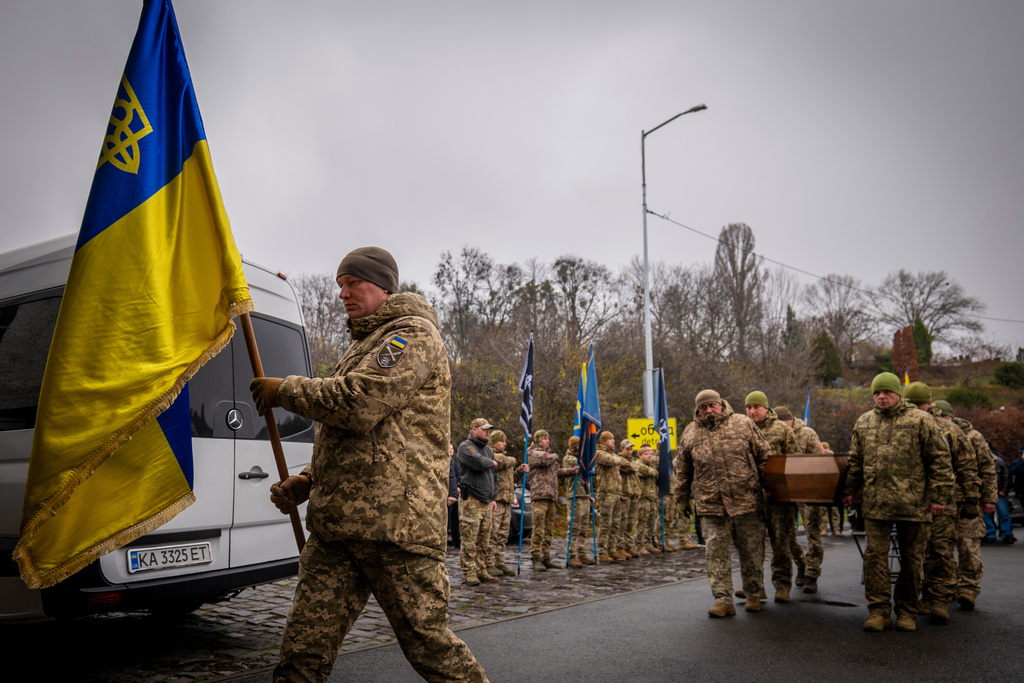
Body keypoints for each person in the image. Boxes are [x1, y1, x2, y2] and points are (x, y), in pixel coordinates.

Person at [249, 246, 487, 682]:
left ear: (382, 286)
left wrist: (285, 389)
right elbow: (349, 438)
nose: (343, 292)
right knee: (302, 651)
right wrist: (307, 480)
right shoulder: (361, 346)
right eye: (340, 284)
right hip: (337, 529)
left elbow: (360, 404)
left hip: (395, 529)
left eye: (353, 282)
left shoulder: (411, 335)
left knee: (430, 646)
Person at [842, 372, 954, 633]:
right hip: (876, 506)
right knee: (874, 560)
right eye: (877, 393)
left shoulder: (921, 420)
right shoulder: (864, 422)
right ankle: (879, 611)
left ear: (898, 394)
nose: (881, 397)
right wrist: (849, 490)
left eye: (887, 392)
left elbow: (940, 460)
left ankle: (906, 611)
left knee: (912, 561)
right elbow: (856, 462)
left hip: (913, 506)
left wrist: (939, 497)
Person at [676, 389, 771, 617]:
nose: (709, 410)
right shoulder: (690, 433)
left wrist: (771, 489)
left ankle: (753, 594)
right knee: (715, 553)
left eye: (712, 405)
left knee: (751, 551)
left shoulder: (743, 424)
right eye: (703, 407)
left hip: (746, 501)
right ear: (697, 410)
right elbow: (682, 469)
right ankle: (723, 600)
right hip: (711, 505)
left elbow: (764, 456)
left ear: (721, 404)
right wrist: (681, 498)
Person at [903, 382, 981, 625]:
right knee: (916, 552)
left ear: (929, 403)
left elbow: (968, 465)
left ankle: (938, 598)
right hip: (910, 502)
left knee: (940, 549)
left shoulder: (948, 429)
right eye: (912, 404)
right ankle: (922, 596)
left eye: (920, 404)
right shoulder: (901, 427)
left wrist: (971, 498)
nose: (916, 409)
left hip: (943, 502)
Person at [933, 399, 997, 611]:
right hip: (943, 501)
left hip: (967, 499)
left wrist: (988, 499)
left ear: (950, 417)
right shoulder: (932, 433)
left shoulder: (974, 437)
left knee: (968, 545)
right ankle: (948, 586)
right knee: (943, 548)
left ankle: (968, 588)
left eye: (943, 418)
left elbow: (988, 469)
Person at [744, 391, 799, 603]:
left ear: (766, 408)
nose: (751, 411)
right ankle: (756, 587)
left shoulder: (782, 429)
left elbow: (795, 460)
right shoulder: (741, 429)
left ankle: (782, 585)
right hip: (751, 497)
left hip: (779, 498)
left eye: (756, 407)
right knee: (752, 545)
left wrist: (787, 491)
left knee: (781, 544)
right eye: (748, 407)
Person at [775, 405, 826, 594]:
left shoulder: (807, 433)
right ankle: (802, 564)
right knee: (786, 534)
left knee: (812, 534)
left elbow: (821, 461)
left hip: (809, 490)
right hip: (787, 490)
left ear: (789, 420)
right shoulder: (776, 433)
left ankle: (812, 574)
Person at [527, 429, 578, 571]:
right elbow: (546, 459)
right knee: (539, 529)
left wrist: (571, 471)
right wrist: (554, 455)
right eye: (544, 438)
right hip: (539, 495)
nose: (547, 441)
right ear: (538, 440)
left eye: (548, 438)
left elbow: (557, 472)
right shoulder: (533, 453)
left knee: (549, 529)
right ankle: (536, 557)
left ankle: (546, 556)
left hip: (551, 496)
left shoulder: (549, 456)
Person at [458, 418, 500, 585]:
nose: (487, 432)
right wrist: (492, 462)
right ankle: (469, 572)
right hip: (472, 500)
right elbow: (477, 462)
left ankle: (481, 569)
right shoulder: (465, 447)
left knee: (484, 539)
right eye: (484, 429)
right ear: (474, 429)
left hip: (486, 501)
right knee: (469, 539)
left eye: (489, 429)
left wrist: (493, 497)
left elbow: (495, 477)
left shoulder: (488, 450)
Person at [487, 429, 528, 576]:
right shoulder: (490, 454)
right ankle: (489, 563)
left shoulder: (504, 458)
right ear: (494, 442)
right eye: (502, 441)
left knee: (503, 535)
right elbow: (503, 462)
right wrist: (513, 461)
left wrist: (519, 471)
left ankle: (499, 562)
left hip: (506, 501)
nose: (505, 444)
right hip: (496, 500)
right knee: (493, 534)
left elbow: (511, 479)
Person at [594, 431, 627, 563]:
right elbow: (612, 460)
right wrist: (618, 459)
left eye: (614, 438)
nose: (613, 441)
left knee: (615, 524)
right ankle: (602, 551)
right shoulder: (599, 453)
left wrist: (618, 459)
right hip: (605, 492)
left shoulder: (612, 453)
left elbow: (623, 462)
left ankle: (612, 549)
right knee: (605, 523)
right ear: (603, 441)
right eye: (610, 439)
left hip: (616, 492)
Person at [563, 435, 596, 567]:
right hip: (575, 494)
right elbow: (583, 465)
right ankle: (571, 555)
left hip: (584, 494)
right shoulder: (569, 459)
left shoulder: (583, 456)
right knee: (574, 526)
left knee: (583, 526)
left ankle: (582, 553)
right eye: (579, 445)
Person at [986, 445, 1017, 544]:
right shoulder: (981, 461)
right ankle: (990, 534)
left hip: (999, 492)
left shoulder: (999, 462)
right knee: (986, 514)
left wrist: (1004, 490)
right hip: (988, 493)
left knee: (1003, 514)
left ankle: (1006, 534)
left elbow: (1006, 476)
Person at [448, 444, 461, 548]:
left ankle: (456, 541)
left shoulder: (456, 464)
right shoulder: (445, 462)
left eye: (452, 449)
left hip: (456, 494)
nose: (451, 450)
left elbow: (458, 477)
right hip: (448, 494)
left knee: (456, 519)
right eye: (449, 448)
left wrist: (458, 486)